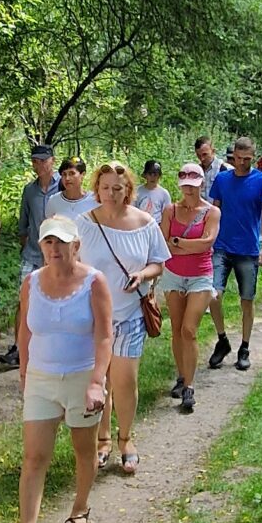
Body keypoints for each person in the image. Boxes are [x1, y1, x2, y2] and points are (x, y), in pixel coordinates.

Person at [0, 215, 113, 523]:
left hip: (81, 377)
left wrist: (97, 381)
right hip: (41, 378)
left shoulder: (94, 282)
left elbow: (104, 335)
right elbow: (25, 331)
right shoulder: (31, 282)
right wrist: (24, 370)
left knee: (83, 448)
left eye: (61, 241)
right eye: (48, 241)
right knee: (34, 457)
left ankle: (80, 507)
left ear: (76, 245)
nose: (54, 248)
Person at [78, 161, 168, 474]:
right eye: (105, 188)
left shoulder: (145, 223)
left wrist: (142, 274)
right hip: (93, 318)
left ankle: (126, 439)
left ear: (128, 189)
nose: (111, 193)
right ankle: (102, 440)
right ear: (97, 189)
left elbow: (159, 263)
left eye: (117, 188)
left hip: (130, 314)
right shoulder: (84, 223)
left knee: (124, 380)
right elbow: (71, 264)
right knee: (99, 381)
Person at [206, 136, 262, 372]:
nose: (243, 163)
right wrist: (207, 239)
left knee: (247, 299)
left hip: (248, 248)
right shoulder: (222, 179)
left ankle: (244, 347)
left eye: (247, 159)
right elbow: (214, 210)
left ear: (253, 157)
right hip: (222, 246)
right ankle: (222, 340)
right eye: (239, 158)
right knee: (213, 295)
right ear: (233, 157)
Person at [161, 163, 218, 411]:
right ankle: (182, 375)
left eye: (193, 185)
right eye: (185, 185)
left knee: (189, 329)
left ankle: (190, 387)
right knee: (176, 328)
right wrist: (186, 245)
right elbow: (162, 244)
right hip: (173, 273)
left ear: (202, 183)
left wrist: (178, 242)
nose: (189, 190)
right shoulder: (170, 210)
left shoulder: (211, 212)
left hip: (200, 275)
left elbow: (206, 243)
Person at [0, 142, 58, 368]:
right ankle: (18, 347)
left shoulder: (63, 186)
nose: (39, 165)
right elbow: (23, 223)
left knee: (54, 300)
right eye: (35, 161)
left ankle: (48, 346)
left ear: (52, 161)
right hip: (32, 253)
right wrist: (26, 244)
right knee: (24, 300)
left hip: (57, 255)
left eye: (43, 160)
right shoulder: (29, 190)